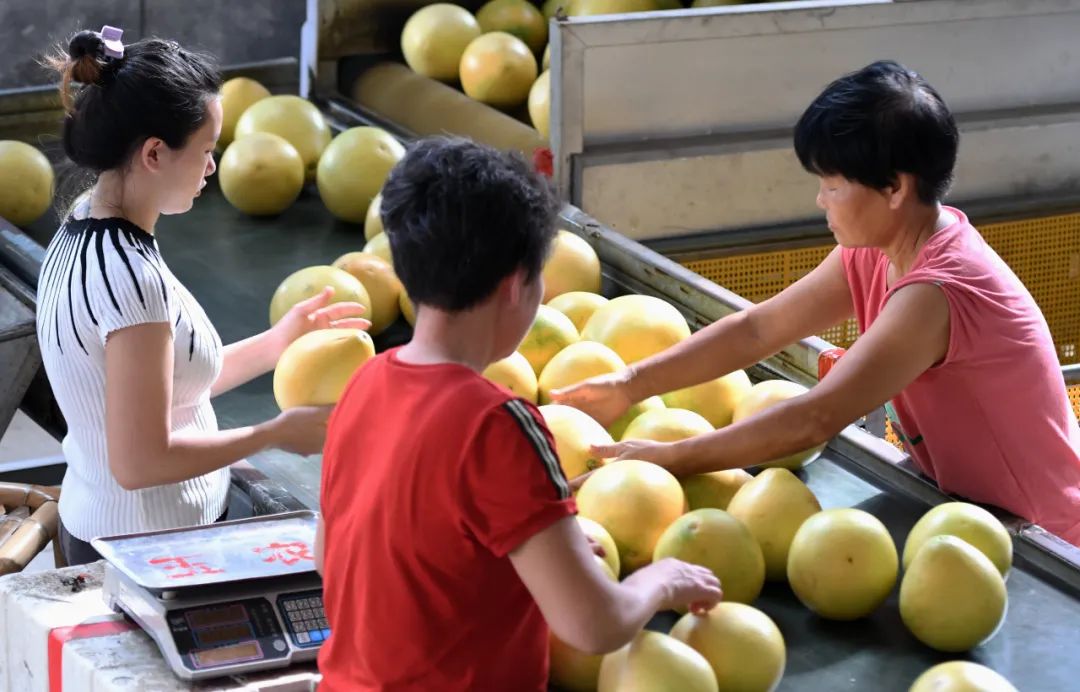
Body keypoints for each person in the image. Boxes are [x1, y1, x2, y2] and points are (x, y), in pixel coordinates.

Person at [553, 60, 1080, 546]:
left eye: (831, 184)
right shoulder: (881, 248)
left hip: (1045, 544)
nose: (820, 200)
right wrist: (629, 384)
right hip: (967, 513)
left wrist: (671, 459)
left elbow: (816, 417)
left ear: (894, 188)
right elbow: (759, 330)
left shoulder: (937, 290)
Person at [313, 137, 722, 691]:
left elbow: (334, 555)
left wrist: (536, 554)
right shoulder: (501, 424)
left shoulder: (364, 384)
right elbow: (594, 625)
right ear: (515, 286)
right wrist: (661, 580)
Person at [36, 27, 367, 566]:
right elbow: (141, 462)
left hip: (112, 533)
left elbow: (167, 390)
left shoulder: (81, 227)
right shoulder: (129, 280)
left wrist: (280, 341)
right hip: (140, 554)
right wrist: (271, 433)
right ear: (154, 154)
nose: (212, 167)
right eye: (207, 150)